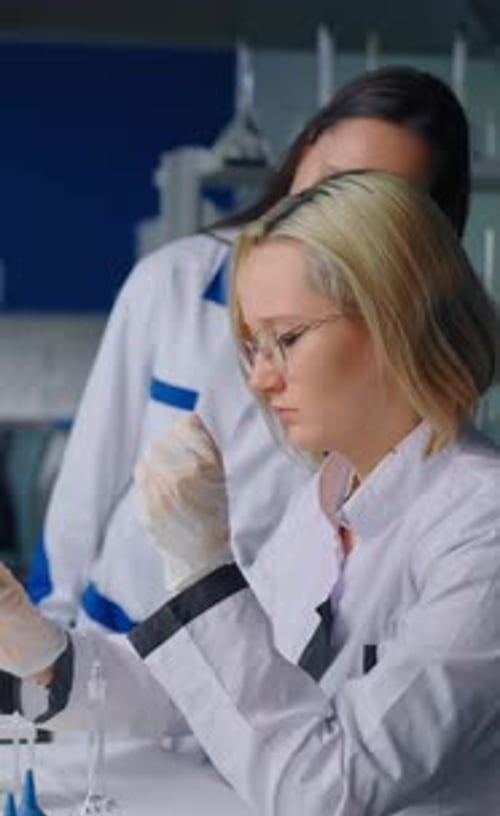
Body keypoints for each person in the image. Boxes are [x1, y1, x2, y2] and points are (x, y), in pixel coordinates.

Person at [1, 171, 499, 816]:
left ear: (396, 317)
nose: (261, 380)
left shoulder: (481, 528)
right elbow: (191, 690)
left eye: (286, 340)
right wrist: (37, 649)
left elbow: (323, 793)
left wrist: (206, 572)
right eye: (252, 348)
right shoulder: (326, 501)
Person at [27, 66, 471, 631]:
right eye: (331, 180)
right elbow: (88, 478)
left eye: (372, 203)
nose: (333, 217)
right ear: (305, 150)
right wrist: (50, 648)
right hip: (117, 633)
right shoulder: (174, 281)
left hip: (263, 656)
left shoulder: (398, 359)